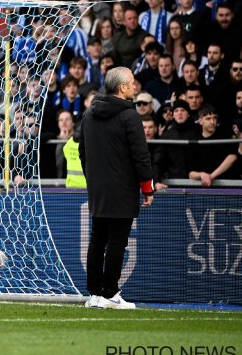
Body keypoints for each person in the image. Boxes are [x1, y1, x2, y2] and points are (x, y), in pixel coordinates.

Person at [79, 66, 154, 310]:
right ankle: (110, 293)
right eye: (131, 83)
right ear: (122, 87)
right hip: (122, 190)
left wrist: (94, 180)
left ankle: (94, 295)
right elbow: (140, 155)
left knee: (97, 240)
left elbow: (82, 152)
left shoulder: (89, 114)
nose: (135, 86)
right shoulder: (129, 115)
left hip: (99, 189)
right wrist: (147, 188)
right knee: (117, 242)